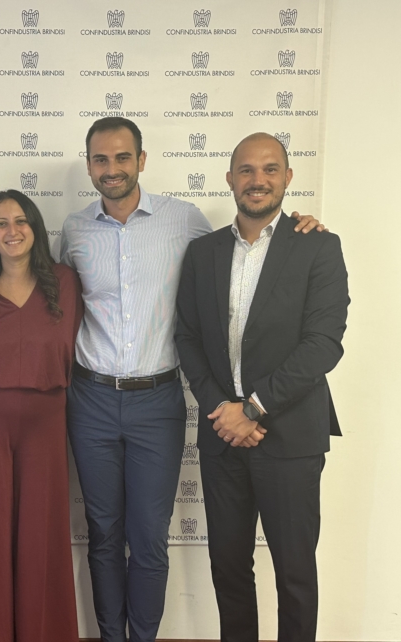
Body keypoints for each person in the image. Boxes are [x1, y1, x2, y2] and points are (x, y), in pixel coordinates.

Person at [59, 117, 325, 642]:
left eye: (122, 157)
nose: (112, 168)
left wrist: (300, 227)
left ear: (141, 160)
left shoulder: (186, 221)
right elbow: (49, 291)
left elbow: (252, 250)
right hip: (91, 399)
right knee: (105, 534)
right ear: (89, 165)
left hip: (158, 401)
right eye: (100, 159)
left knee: (150, 538)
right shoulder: (73, 229)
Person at [174, 132, 348, 642]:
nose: (258, 180)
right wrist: (223, 410)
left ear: (288, 177)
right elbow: (187, 338)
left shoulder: (318, 246)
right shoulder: (202, 252)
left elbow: (323, 344)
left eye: (270, 169)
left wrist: (250, 409)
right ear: (230, 179)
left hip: (290, 437)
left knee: (295, 574)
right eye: (247, 170)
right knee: (228, 570)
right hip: (222, 437)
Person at [0, 191, 83, 642]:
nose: (12, 230)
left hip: (46, 424)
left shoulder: (66, 282)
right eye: (1, 223)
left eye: (21, 220)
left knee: (41, 538)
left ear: (36, 228)